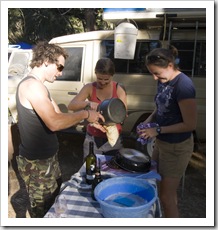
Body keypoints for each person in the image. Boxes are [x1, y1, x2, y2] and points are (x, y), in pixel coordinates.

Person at [15, 41, 105, 218]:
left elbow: (60, 117)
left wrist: (89, 118)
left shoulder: (41, 87)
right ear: (47, 61)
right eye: (59, 66)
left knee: (55, 204)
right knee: (43, 212)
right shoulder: (32, 86)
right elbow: (54, 123)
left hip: (48, 160)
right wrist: (86, 114)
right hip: (37, 164)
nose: (61, 72)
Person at [137, 46, 197, 218]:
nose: (155, 78)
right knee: (156, 185)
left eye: (157, 73)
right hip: (162, 143)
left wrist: (157, 129)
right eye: (152, 74)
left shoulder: (184, 86)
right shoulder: (163, 80)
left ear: (170, 65)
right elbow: (161, 107)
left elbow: (190, 124)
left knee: (166, 197)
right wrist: (149, 120)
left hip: (177, 147)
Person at [68, 57, 127, 159]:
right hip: (93, 138)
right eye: (100, 79)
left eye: (106, 80)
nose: (103, 82)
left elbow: (123, 114)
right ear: (95, 73)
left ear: (112, 76)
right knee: (90, 169)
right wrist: (88, 103)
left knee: (112, 172)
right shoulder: (90, 87)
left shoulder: (118, 89)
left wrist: (110, 120)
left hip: (113, 140)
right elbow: (72, 105)